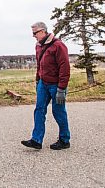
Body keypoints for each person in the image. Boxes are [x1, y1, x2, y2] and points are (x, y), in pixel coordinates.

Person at [21, 21, 71, 150]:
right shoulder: (38, 46)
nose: (33, 36)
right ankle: (36, 140)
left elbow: (64, 67)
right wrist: (38, 80)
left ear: (43, 31)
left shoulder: (58, 45)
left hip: (56, 85)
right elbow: (40, 65)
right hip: (43, 83)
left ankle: (64, 140)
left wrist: (61, 88)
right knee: (39, 110)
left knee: (58, 112)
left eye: (35, 33)